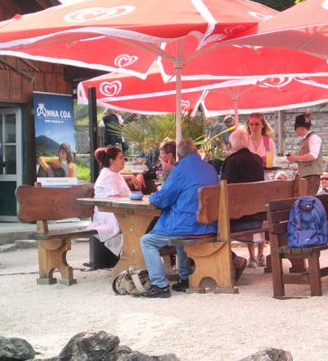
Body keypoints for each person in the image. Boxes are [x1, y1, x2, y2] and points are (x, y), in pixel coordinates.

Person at [137, 139, 219, 298]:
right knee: (180, 235)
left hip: (190, 226)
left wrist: (153, 195)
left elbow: (163, 199)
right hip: (209, 226)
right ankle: (186, 277)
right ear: (196, 151)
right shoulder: (210, 168)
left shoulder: (179, 170)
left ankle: (159, 285)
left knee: (147, 241)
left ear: (178, 156)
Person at [220, 128, 266, 277]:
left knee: (208, 227)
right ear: (247, 143)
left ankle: (234, 260)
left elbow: (224, 193)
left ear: (230, 144)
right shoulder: (257, 159)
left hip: (242, 220)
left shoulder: (232, 162)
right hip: (258, 218)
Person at [91, 146, 140, 259]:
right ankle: (133, 257)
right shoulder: (108, 176)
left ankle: (135, 257)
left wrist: (131, 176)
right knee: (141, 222)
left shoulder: (114, 173)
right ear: (111, 161)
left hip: (118, 212)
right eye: (121, 158)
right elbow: (116, 200)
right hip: (109, 215)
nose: (124, 160)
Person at [243, 112, 275, 266]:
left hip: (263, 182)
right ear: (248, 126)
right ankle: (251, 255)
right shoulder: (244, 141)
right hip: (248, 183)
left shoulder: (268, 143)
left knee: (262, 218)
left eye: (257, 124)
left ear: (262, 125)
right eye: (251, 124)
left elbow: (270, 166)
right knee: (249, 216)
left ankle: (261, 254)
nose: (254, 127)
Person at [287, 113, 324, 184]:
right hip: (306, 176)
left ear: (302, 128)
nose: (295, 130)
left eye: (295, 127)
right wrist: (294, 158)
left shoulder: (314, 138)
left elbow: (313, 156)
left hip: (311, 176)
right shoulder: (306, 139)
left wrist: (295, 158)